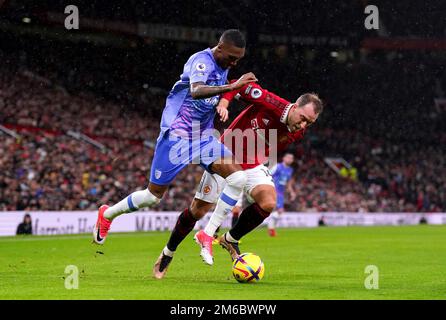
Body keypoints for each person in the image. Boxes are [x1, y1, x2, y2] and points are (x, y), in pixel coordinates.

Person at [93, 29, 258, 246]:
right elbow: (196, 91)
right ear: (220, 48)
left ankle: (207, 234)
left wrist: (223, 104)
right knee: (153, 196)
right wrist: (232, 86)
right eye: (232, 58)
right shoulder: (201, 61)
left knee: (238, 178)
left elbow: (210, 99)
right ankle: (107, 215)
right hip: (177, 136)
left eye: (238, 60)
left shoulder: (223, 66)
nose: (234, 63)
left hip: (203, 138)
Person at [153, 80, 322, 278]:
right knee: (197, 211)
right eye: (302, 118)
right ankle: (168, 252)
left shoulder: (298, 132)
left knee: (268, 203)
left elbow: (270, 144)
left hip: (252, 163)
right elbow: (238, 85)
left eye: (308, 123)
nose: (303, 125)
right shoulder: (271, 102)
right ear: (294, 107)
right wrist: (224, 103)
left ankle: (230, 238)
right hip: (225, 156)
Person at [267, 153, 297, 237]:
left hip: (281, 192)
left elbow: (288, 183)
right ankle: (271, 230)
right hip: (274, 190)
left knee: (278, 211)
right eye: (288, 157)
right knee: (280, 210)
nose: (290, 159)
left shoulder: (290, 170)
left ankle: (271, 229)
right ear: (284, 158)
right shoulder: (277, 166)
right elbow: (268, 176)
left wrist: (292, 192)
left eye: (292, 158)